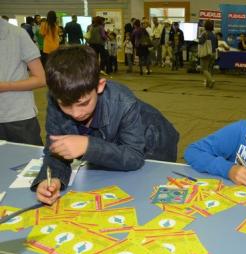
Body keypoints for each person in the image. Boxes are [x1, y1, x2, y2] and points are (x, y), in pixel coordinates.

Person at [31, 46, 179, 204]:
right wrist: (53, 178)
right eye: (66, 105)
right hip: (110, 144)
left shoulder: (124, 102)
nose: (76, 113)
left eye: (83, 103)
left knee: (148, 196)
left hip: (155, 141)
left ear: (100, 86)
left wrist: (88, 146)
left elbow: (134, 157)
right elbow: (55, 150)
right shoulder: (58, 98)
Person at [0, 17, 46, 145]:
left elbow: (41, 79)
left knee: (29, 161)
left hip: (18, 118)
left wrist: (5, 86)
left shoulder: (18, 34)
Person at [198, 20, 218, 89]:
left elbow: (201, 42)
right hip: (213, 53)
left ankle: (211, 81)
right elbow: (216, 45)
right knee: (209, 69)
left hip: (206, 53)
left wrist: (198, 39)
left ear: (205, 26)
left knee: (204, 69)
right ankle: (207, 84)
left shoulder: (204, 33)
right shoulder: (214, 34)